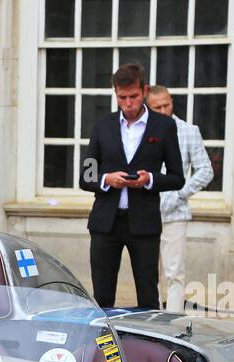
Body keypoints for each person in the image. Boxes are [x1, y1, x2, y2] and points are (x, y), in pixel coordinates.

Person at [79, 63, 184, 310]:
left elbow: (177, 177)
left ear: (144, 91)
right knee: (102, 296)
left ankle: (150, 347)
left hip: (144, 223)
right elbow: (86, 176)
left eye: (133, 97)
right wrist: (107, 180)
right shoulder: (102, 125)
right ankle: (101, 346)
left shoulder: (164, 126)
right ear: (115, 93)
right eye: (122, 97)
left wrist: (150, 180)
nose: (128, 103)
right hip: (106, 224)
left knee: (148, 296)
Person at [146, 85, 215, 313]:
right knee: (147, 273)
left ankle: (171, 324)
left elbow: (205, 170)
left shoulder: (188, 131)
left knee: (174, 273)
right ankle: (150, 322)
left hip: (175, 213)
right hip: (145, 210)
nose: (164, 110)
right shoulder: (141, 132)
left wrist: (179, 194)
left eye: (167, 104)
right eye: (158, 107)